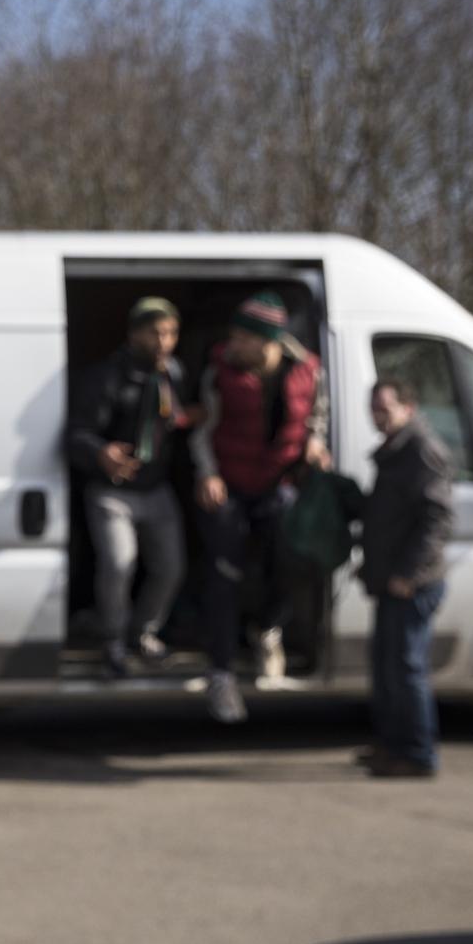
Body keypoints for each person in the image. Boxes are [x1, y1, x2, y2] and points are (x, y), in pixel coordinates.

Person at [188, 289, 329, 723]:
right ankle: (221, 675)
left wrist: (317, 442)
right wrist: (207, 472)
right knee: (224, 574)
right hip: (229, 484)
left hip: (278, 483)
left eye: (243, 338)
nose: (234, 344)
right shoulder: (219, 372)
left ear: (269, 341)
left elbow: (317, 415)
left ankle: (267, 627)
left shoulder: (308, 372)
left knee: (298, 561)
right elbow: (201, 430)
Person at [66, 296, 189, 674]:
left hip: (156, 487)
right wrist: (101, 452)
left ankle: (144, 632)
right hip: (112, 490)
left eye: (170, 333)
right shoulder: (105, 376)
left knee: (170, 566)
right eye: (155, 333)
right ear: (135, 334)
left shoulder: (173, 374)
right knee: (119, 563)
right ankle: (112, 639)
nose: (164, 341)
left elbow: (174, 419)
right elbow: (75, 434)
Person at [356, 378, 454, 778]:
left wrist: (408, 574)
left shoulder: (421, 450)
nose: (379, 416)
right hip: (390, 581)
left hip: (413, 584)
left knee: (408, 669)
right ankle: (391, 746)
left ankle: (418, 754)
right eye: (374, 409)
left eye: (386, 408)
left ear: (408, 409)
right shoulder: (394, 452)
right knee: (387, 669)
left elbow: (438, 518)